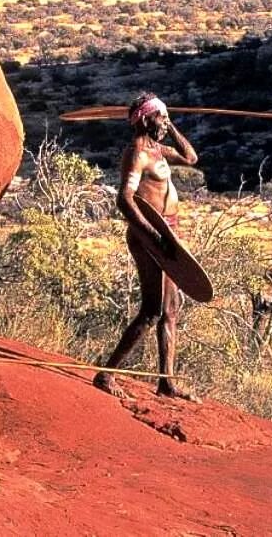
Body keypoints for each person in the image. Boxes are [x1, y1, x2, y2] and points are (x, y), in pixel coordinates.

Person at [94, 93, 199, 401]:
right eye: (159, 117)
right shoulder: (138, 153)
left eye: (165, 116)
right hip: (148, 237)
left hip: (166, 235)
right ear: (144, 119)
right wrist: (153, 236)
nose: (163, 121)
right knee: (153, 310)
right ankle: (107, 373)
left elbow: (192, 158)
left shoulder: (159, 150)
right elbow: (124, 201)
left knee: (171, 310)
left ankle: (166, 383)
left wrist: (172, 124)